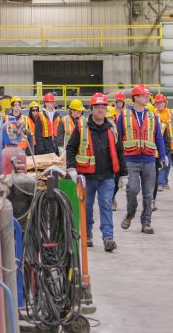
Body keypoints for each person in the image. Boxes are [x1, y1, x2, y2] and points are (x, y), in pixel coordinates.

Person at [67, 92, 126, 252]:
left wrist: (124, 174)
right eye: (98, 108)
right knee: (87, 206)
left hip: (107, 176)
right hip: (87, 176)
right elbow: (71, 148)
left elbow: (120, 152)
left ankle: (108, 237)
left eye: (103, 107)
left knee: (106, 205)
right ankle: (87, 235)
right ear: (92, 109)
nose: (101, 111)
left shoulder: (112, 129)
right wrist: (71, 167)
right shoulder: (81, 128)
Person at [118, 84, 168, 234]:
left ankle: (146, 222)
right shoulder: (124, 115)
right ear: (136, 97)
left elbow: (158, 137)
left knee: (148, 193)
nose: (148, 98)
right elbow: (118, 138)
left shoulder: (152, 116)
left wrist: (163, 155)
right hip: (130, 160)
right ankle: (130, 213)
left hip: (149, 160)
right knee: (132, 189)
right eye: (145, 96)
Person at [109, 90, 126, 209]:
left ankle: (112, 197)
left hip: (120, 144)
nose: (119, 103)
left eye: (121, 102)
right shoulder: (111, 111)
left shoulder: (126, 113)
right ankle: (110, 199)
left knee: (117, 176)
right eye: (118, 101)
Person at [153, 94, 172, 192]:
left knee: (168, 164)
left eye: (161, 102)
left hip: (170, 141)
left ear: (165, 103)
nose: (160, 104)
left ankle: (165, 182)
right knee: (161, 162)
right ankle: (160, 183)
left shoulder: (170, 113)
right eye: (158, 103)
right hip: (159, 141)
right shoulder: (153, 113)